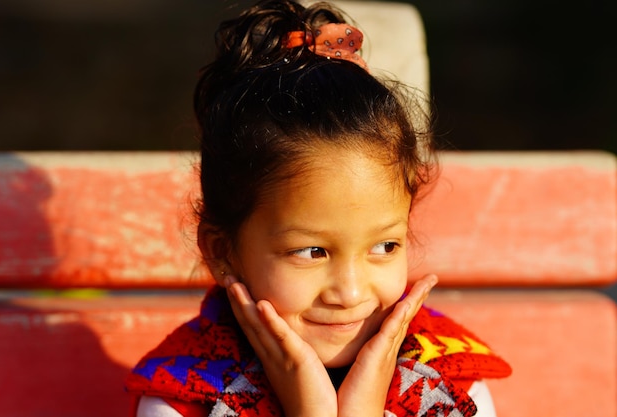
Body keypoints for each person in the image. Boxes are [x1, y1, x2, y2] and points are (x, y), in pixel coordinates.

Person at [125, 1, 512, 416]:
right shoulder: (185, 399)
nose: (350, 293)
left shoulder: (449, 384)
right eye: (312, 252)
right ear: (222, 251)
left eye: (384, 247)